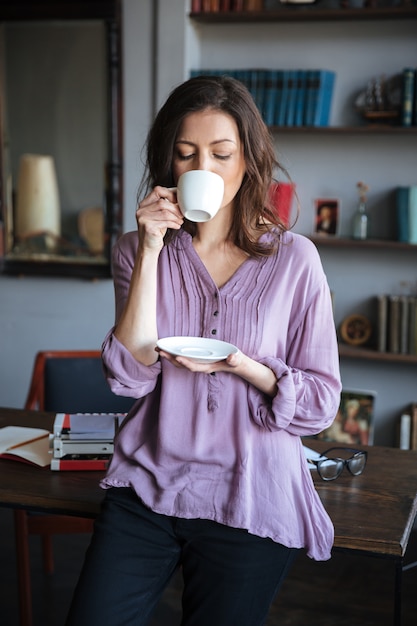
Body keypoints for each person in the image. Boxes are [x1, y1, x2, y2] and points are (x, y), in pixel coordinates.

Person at [66, 75, 342, 626]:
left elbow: (319, 404)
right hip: (149, 487)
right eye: (186, 155)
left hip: (251, 495)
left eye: (221, 154)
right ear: (168, 163)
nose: (202, 171)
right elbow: (129, 377)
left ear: (248, 161)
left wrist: (245, 366)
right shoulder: (135, 249)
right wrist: (148, 249)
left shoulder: (295, 260)